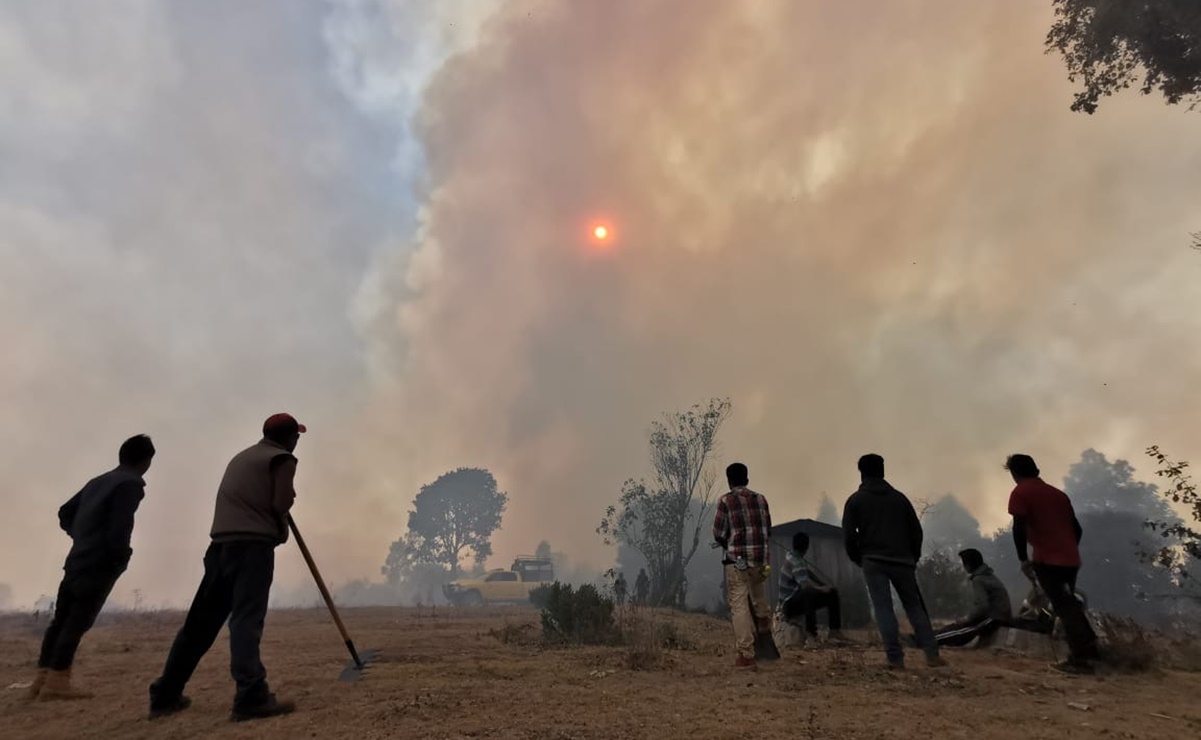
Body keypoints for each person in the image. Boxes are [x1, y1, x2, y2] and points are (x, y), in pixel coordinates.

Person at [148, 414, 305, 721]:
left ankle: (165, 694)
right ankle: (251, 696)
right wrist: (284, 513)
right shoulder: (283, 458)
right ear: (291, 437)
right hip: (251, 549)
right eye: (296, 436)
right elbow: (281, 503)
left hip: (220, 547)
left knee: (199, 626)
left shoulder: (242, 458)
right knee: (246, 620)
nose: (297, 441)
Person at [27, 435, 155, 701]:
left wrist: (81, 536)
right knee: (77, 621)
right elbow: (121, 526)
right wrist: (120, 556)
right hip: (99, 563)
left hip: (77, 560)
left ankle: (42, 679)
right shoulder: (129, 484)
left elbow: (65, 512)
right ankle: (58, 682)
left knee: (61, 620)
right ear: (146, 461)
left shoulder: (99, 481)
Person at [843, 454, 944, 670]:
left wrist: (859, 558)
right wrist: (913, 557)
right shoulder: (899, 499)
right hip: (903, 560)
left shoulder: (856, 501)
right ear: (883, 471)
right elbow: (916, 531)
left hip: (873, 560)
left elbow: (849, 537)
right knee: (914, 607)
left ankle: (895, 659)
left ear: (861, 472)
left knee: (883, 608)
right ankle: (932, 654)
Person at [1005, 453, 1098, 674]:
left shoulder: (1021, 492)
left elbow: (1018, 528)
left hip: (1047, 559)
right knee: (1070, 605)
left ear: (1014, 473)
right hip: (1070, 560)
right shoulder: (1059, 495)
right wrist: (1068, 547)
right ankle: (1092, 651)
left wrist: (1023, 559)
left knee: (1063, 607)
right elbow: (1077, 529)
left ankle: (1081, 660)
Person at [712, 462, 772, 669]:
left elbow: (718, 533)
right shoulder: (761, 499)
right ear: (746, 479)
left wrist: (728, 540)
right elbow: (768, 529)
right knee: (758, 595)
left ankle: (746, 655)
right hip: (761, 561)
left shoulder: (726, 501)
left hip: (738, 562)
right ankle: (764, 622)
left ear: (729, 481)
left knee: (739, 605)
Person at [931, 548, 1012, 648]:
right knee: (957, 628)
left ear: (968, 564)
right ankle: (926, 637)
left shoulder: (979, 579)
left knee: (962, 632)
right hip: (996, 615)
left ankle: (926, 640)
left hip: (995, 618)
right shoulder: (988, 575)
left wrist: (968, 618)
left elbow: (982, 605)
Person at [779, 532, 847, 644]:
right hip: (789, 606)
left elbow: (807, 573)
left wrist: (822, 584)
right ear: (807, 546)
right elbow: (805, 585)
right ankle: (811, 634)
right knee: (808, 593)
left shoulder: (791, 555)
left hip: (791, 602)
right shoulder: (796, 562)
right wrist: (822, 589)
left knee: (832, 592)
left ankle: (834, 631)